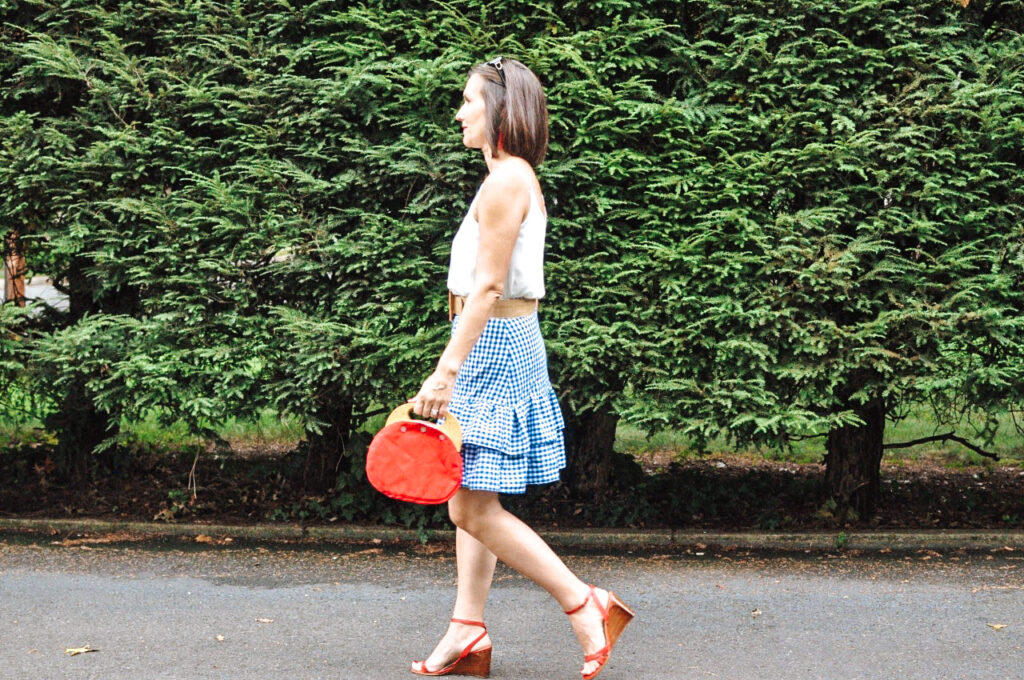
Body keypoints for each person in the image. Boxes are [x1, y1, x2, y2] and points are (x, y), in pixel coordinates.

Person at [407, 56, 634, 679]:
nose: (459, 113)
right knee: (469, 486)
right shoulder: (510, 176)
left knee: (468, 508)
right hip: (500, 336)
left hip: (493, 344)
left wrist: (446, 370)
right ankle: (467, 628)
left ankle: (584, 603)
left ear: (500, 111)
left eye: (469, 102)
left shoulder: (507, 180)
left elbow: (485, 290)